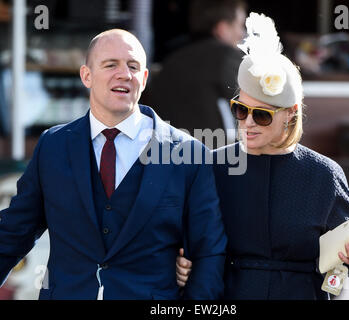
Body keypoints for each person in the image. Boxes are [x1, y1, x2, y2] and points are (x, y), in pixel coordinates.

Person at [0, 29, 227, 300]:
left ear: (144, 79)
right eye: (110, 65)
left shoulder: (189, 154)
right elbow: (14, 232)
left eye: (133, 66)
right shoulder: (53, 146)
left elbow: (209, 254)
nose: (123, 74)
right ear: (86, 76)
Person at [176, 12, 349, 300]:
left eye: (262, 115)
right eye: (240, 109)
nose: (247, 122)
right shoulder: (213, 166)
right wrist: (180, 263)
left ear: (291, 113)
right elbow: (183, 241)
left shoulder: (325, 175)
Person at [145, 0, 247, 144]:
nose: (242, 33)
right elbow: (258, 105)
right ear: (222, 28)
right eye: (240, 25)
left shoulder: (170, 62)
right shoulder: (226, 57)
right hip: (217, 157)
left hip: (167, 156)